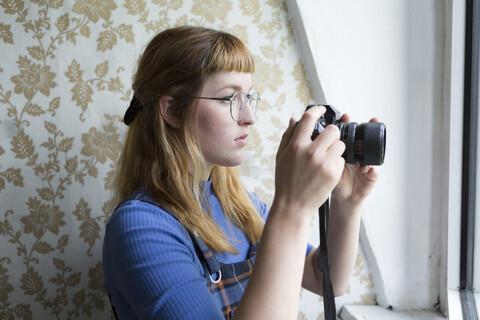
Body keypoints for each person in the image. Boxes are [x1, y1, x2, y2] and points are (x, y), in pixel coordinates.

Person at [102, 25, 379, 320]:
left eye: (248, 97)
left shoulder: (237, 204)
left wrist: (347, 205)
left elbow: (324, 278)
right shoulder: (140, 227)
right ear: (171, 111)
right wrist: (293, 207)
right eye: (228, 99)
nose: (250, 117)